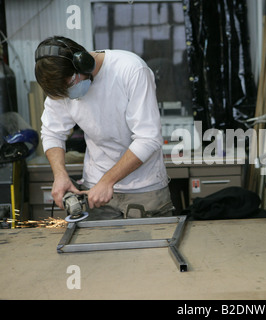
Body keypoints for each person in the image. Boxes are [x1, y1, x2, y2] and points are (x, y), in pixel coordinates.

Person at [34, 35, 174, 218]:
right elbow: (52, 132)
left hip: (145, 190)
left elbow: (148, 139)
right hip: (95, 192)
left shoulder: (131, 70)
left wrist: (108, 181)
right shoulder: (61, 86)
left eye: (69, 86)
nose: (69, 95)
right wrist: (60, 175)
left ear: (83, 63)